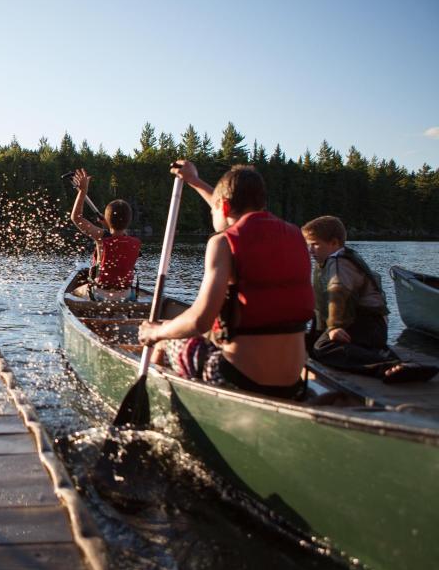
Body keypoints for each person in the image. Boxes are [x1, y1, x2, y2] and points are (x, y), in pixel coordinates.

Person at [137, 161, 315, 399]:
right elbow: (232, 213)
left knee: (166, 339)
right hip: (292, 381)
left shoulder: (222, 243)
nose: (212, 212)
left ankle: (157, 398)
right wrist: (194, 181)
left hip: (240, 379)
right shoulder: (295, 235)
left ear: (223, 206)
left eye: (214, 209)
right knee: (207, 333)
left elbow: (199, 321)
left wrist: (156, 332)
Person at [302, 215, 438, 382]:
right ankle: (382, 354)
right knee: (309, 343)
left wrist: (335, 327)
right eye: (308, 245)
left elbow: (339, 294)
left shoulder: (340, 263)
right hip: (361, 324)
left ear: (334, 243)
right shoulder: (328, 262)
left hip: (366, 325)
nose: (310, 250)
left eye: (315, 245)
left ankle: (387, 365)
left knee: (324, 347)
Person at [69, 168, 141, 301]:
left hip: (100, 293)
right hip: (126, 295)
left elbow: (76, 218)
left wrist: (82, 192)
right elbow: (117, 237)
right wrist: (107, 225)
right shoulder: (132, 241)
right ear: (129, 221)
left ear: (108, 220)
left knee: (73, 293)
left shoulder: (101, 237)